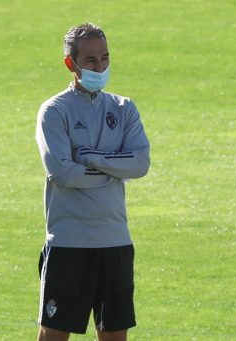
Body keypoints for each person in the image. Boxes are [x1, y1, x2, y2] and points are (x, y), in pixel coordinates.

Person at [35, 23, 150, 341]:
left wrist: (91, 158)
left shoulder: (124, 108)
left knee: (114, 335)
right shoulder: (54, 111)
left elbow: (140, 164)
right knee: (53, 334)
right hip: (69, 243)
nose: (100, 67)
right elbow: (62, 173)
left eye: (105, 58)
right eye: (91, 60)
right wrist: (115, 170)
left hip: (115, 241)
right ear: (70, 64)